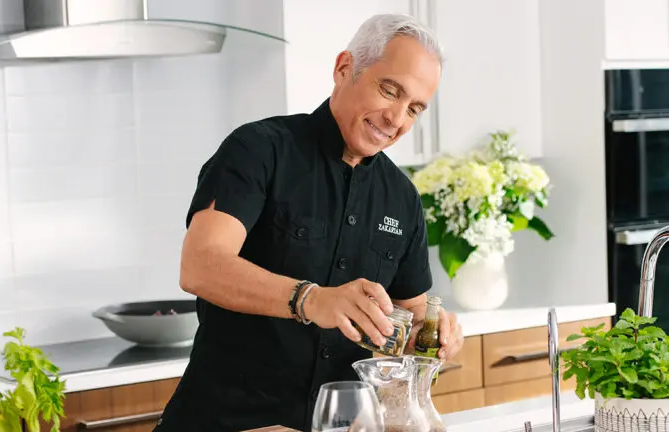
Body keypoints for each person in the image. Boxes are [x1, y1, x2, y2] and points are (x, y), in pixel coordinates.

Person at [154, 13, 464, 432]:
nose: (397, 119)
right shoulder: (259, 150)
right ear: (344, 69)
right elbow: (200, 264)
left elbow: (409, 311)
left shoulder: (402, 197)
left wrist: (434, 330)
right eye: (389, 91)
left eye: (414, 108)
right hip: (227, 421)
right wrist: (311, 299)